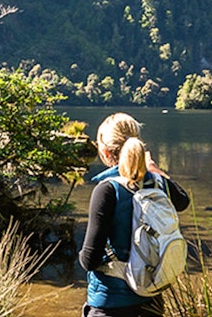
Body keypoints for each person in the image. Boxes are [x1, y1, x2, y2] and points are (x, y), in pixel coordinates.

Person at [79, 112, 190, 317]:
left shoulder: (107, 190)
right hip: (151, 302)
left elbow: (90, 260)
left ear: (104, 151)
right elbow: (183, 201)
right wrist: (155, 170)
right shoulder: (158, 183)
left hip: (110, 306)